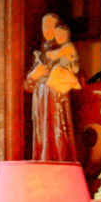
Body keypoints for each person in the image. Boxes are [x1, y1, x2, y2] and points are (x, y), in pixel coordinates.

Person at [24, 13, 80, 162]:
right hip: (40, 100)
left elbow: (79, 76)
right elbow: (27, 86)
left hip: (57, 101)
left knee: (58, 134)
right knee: (42, 134)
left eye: (51, 26)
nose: (47, 29)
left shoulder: (66, 49)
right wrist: (32, 77)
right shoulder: (39, 53)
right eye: (44, 26)